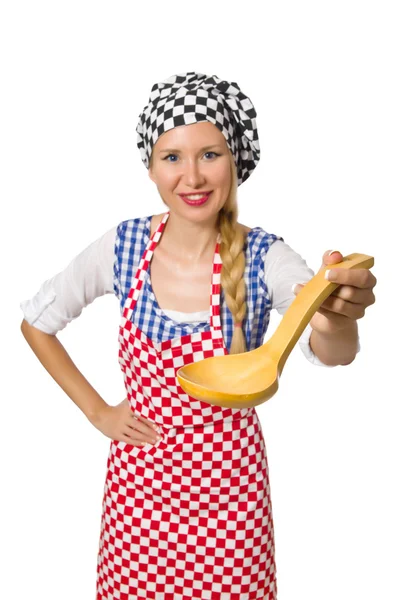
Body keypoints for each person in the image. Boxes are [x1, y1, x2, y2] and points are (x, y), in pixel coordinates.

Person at [20, 72, 376, 600]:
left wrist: (336, 318)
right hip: (139, 502)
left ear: (235, 161)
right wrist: (99, 413)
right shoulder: (122, 247)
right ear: (150, 167)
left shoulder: (264, 257)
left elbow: (329, 349)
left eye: (210, 154)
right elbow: (37, 323)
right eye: (172, 157)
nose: (192, 176)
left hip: (232, 506)